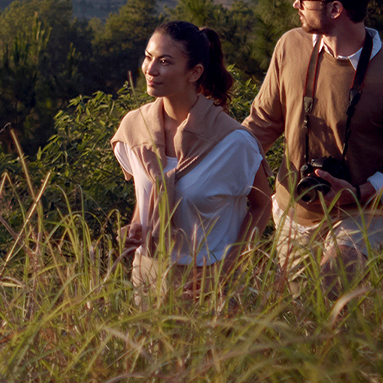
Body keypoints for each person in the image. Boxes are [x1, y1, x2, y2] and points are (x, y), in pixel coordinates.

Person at [242, 0, 383, 289]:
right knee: (301, 310)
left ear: (336, 9)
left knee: (332, 286)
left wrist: (360, 192)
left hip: (363, 212)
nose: (296, 5)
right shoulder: (290, 46)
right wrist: (214, 169)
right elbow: (261, 124)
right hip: (295, 209)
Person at [111, 20, 270, 297]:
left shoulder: (232, 142)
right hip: (148, 276)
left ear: (194, 72)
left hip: (209, 280)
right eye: (149, 57)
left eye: (165, 62)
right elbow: (146, 191)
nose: (150, 69)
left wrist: (231, 265)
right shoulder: (135, 130)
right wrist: (138, 225)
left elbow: (262, 205)